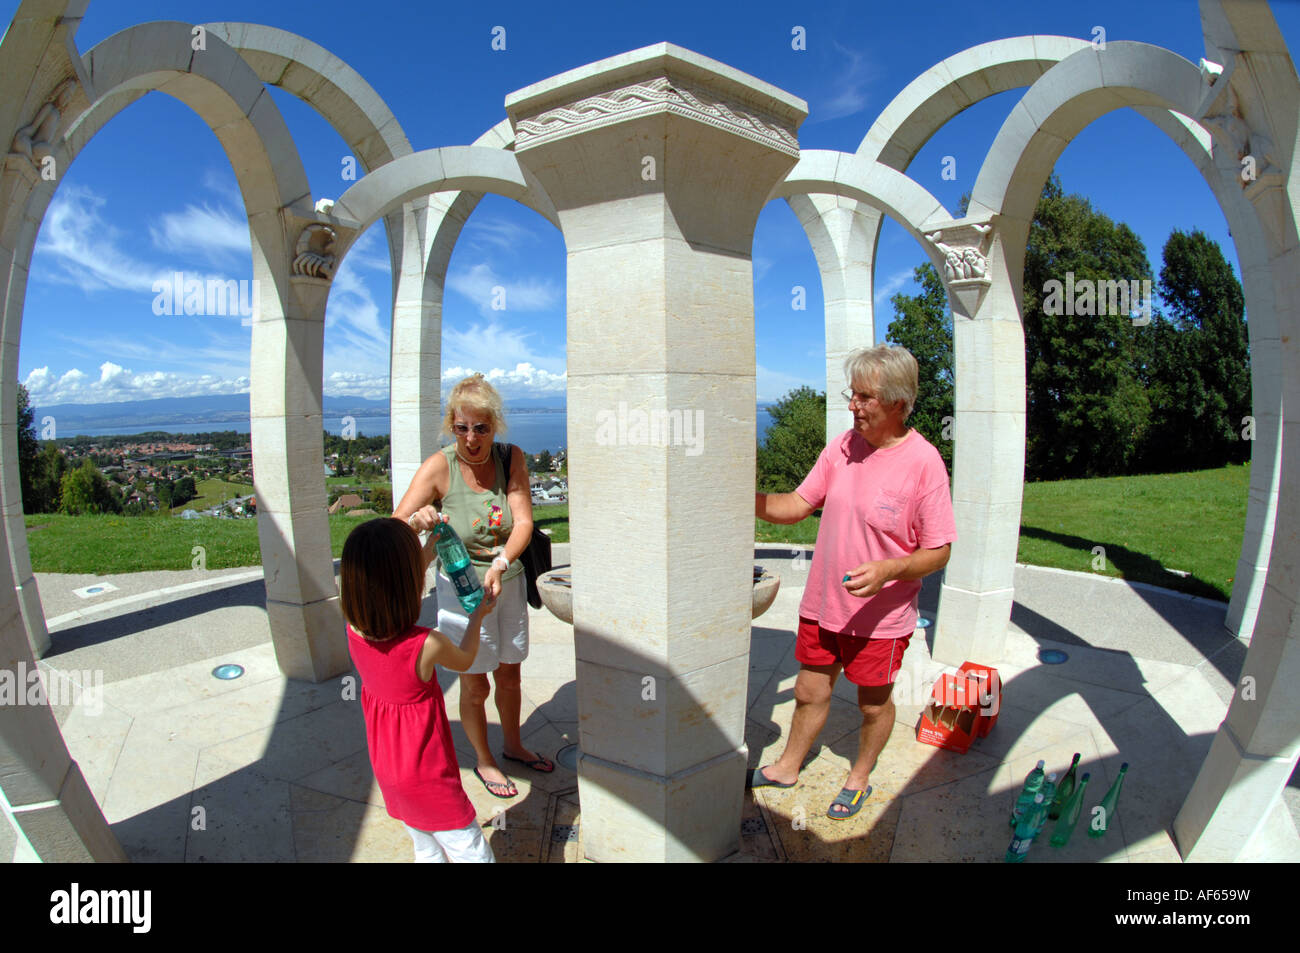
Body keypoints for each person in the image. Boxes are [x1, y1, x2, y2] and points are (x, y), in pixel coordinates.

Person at [752, 345, 957, 819]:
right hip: (823, 605)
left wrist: (889, 569)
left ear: (899, 404)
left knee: (871, 706)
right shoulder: (842, 447)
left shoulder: (924, 463)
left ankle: (859, 776)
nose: (853, 406)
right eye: (852, 394)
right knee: (808, 691)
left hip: (880, 620)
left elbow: (939, 549)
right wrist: (744, 498)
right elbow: (797, 505)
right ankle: (786, 766)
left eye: (865, 398)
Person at [394, 373, 553, 800]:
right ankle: (484, 760)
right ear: (451, 426)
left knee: (510, 673)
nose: (471, 437)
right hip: (461, 589)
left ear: (494, 427)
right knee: (474, 680)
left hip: (507, 580)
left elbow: (523, 521)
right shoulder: (438, 467)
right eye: (462, 427)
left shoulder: (509, 458)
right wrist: (419, 521)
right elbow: (394, 530)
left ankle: (513, 744)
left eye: (481, 427)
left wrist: (501, 564)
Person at [340, 516, 498, 862]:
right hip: (430, 778)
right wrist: (478, 617)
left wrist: (431, 543)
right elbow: (466, 657)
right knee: (471, 851)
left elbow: (390, 577)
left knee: (426, 847)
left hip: (390, 771)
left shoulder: (353, 629)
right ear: (408, 585)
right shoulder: (425, 644)